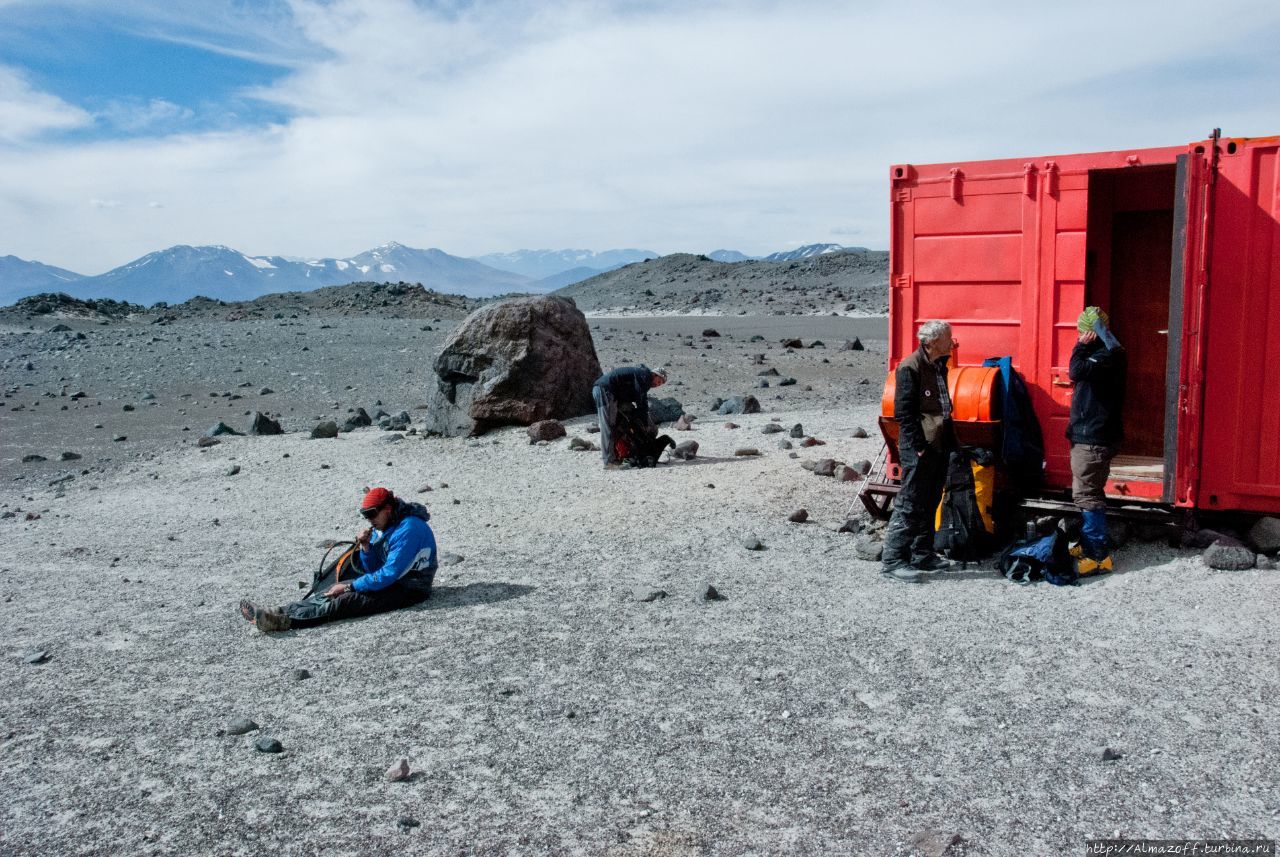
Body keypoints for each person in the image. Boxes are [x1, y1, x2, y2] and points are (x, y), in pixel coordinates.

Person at [239, 487, 438, 632]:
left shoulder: (408, 530)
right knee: (332, 590)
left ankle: (285, 622)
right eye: (366, 516)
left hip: (411, 588)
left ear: (387, 509)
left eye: (372, 514)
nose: (369, 521)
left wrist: (350, 588)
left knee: (346, 601)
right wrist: (367, 547)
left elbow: (389, 574)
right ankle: (278, 611)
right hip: (394, 583)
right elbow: (374, 569)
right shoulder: (383, 528)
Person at [881, 320, 958, 582]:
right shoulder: (910, 367)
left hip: (938, 443)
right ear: (933, 341)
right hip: (921, 447)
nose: (952, 341)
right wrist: (918, 448)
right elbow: (904, 412)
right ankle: (892, 561)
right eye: (948, 337)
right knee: (911, 502)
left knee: (931, 498)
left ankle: (922, 553)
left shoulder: (938, 364)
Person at [1067, 307, 1126, 575]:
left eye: (1082, 332)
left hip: (1093, 437)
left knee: (1086, 495)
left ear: (1090, 333)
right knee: (1094, 491)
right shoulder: (1112, 351)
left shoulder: (1104, 356)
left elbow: (1075, 371)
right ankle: (1092, 544)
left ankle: (1097, 554)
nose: (1080, 336)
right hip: (1100, 435)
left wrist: (1079, 348)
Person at [592, 364, 667, 468]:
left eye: (660, 385)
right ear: (655, 375)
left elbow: (638, 398)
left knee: (615, 425)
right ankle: (609, 462)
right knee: (608, 426)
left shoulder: (641, 376)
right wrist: (644, 421)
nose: (657, 385)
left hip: (605, 391)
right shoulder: (644, 375)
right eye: (658, 381)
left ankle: (615, 457)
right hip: (605, 391)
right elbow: (641, 398)